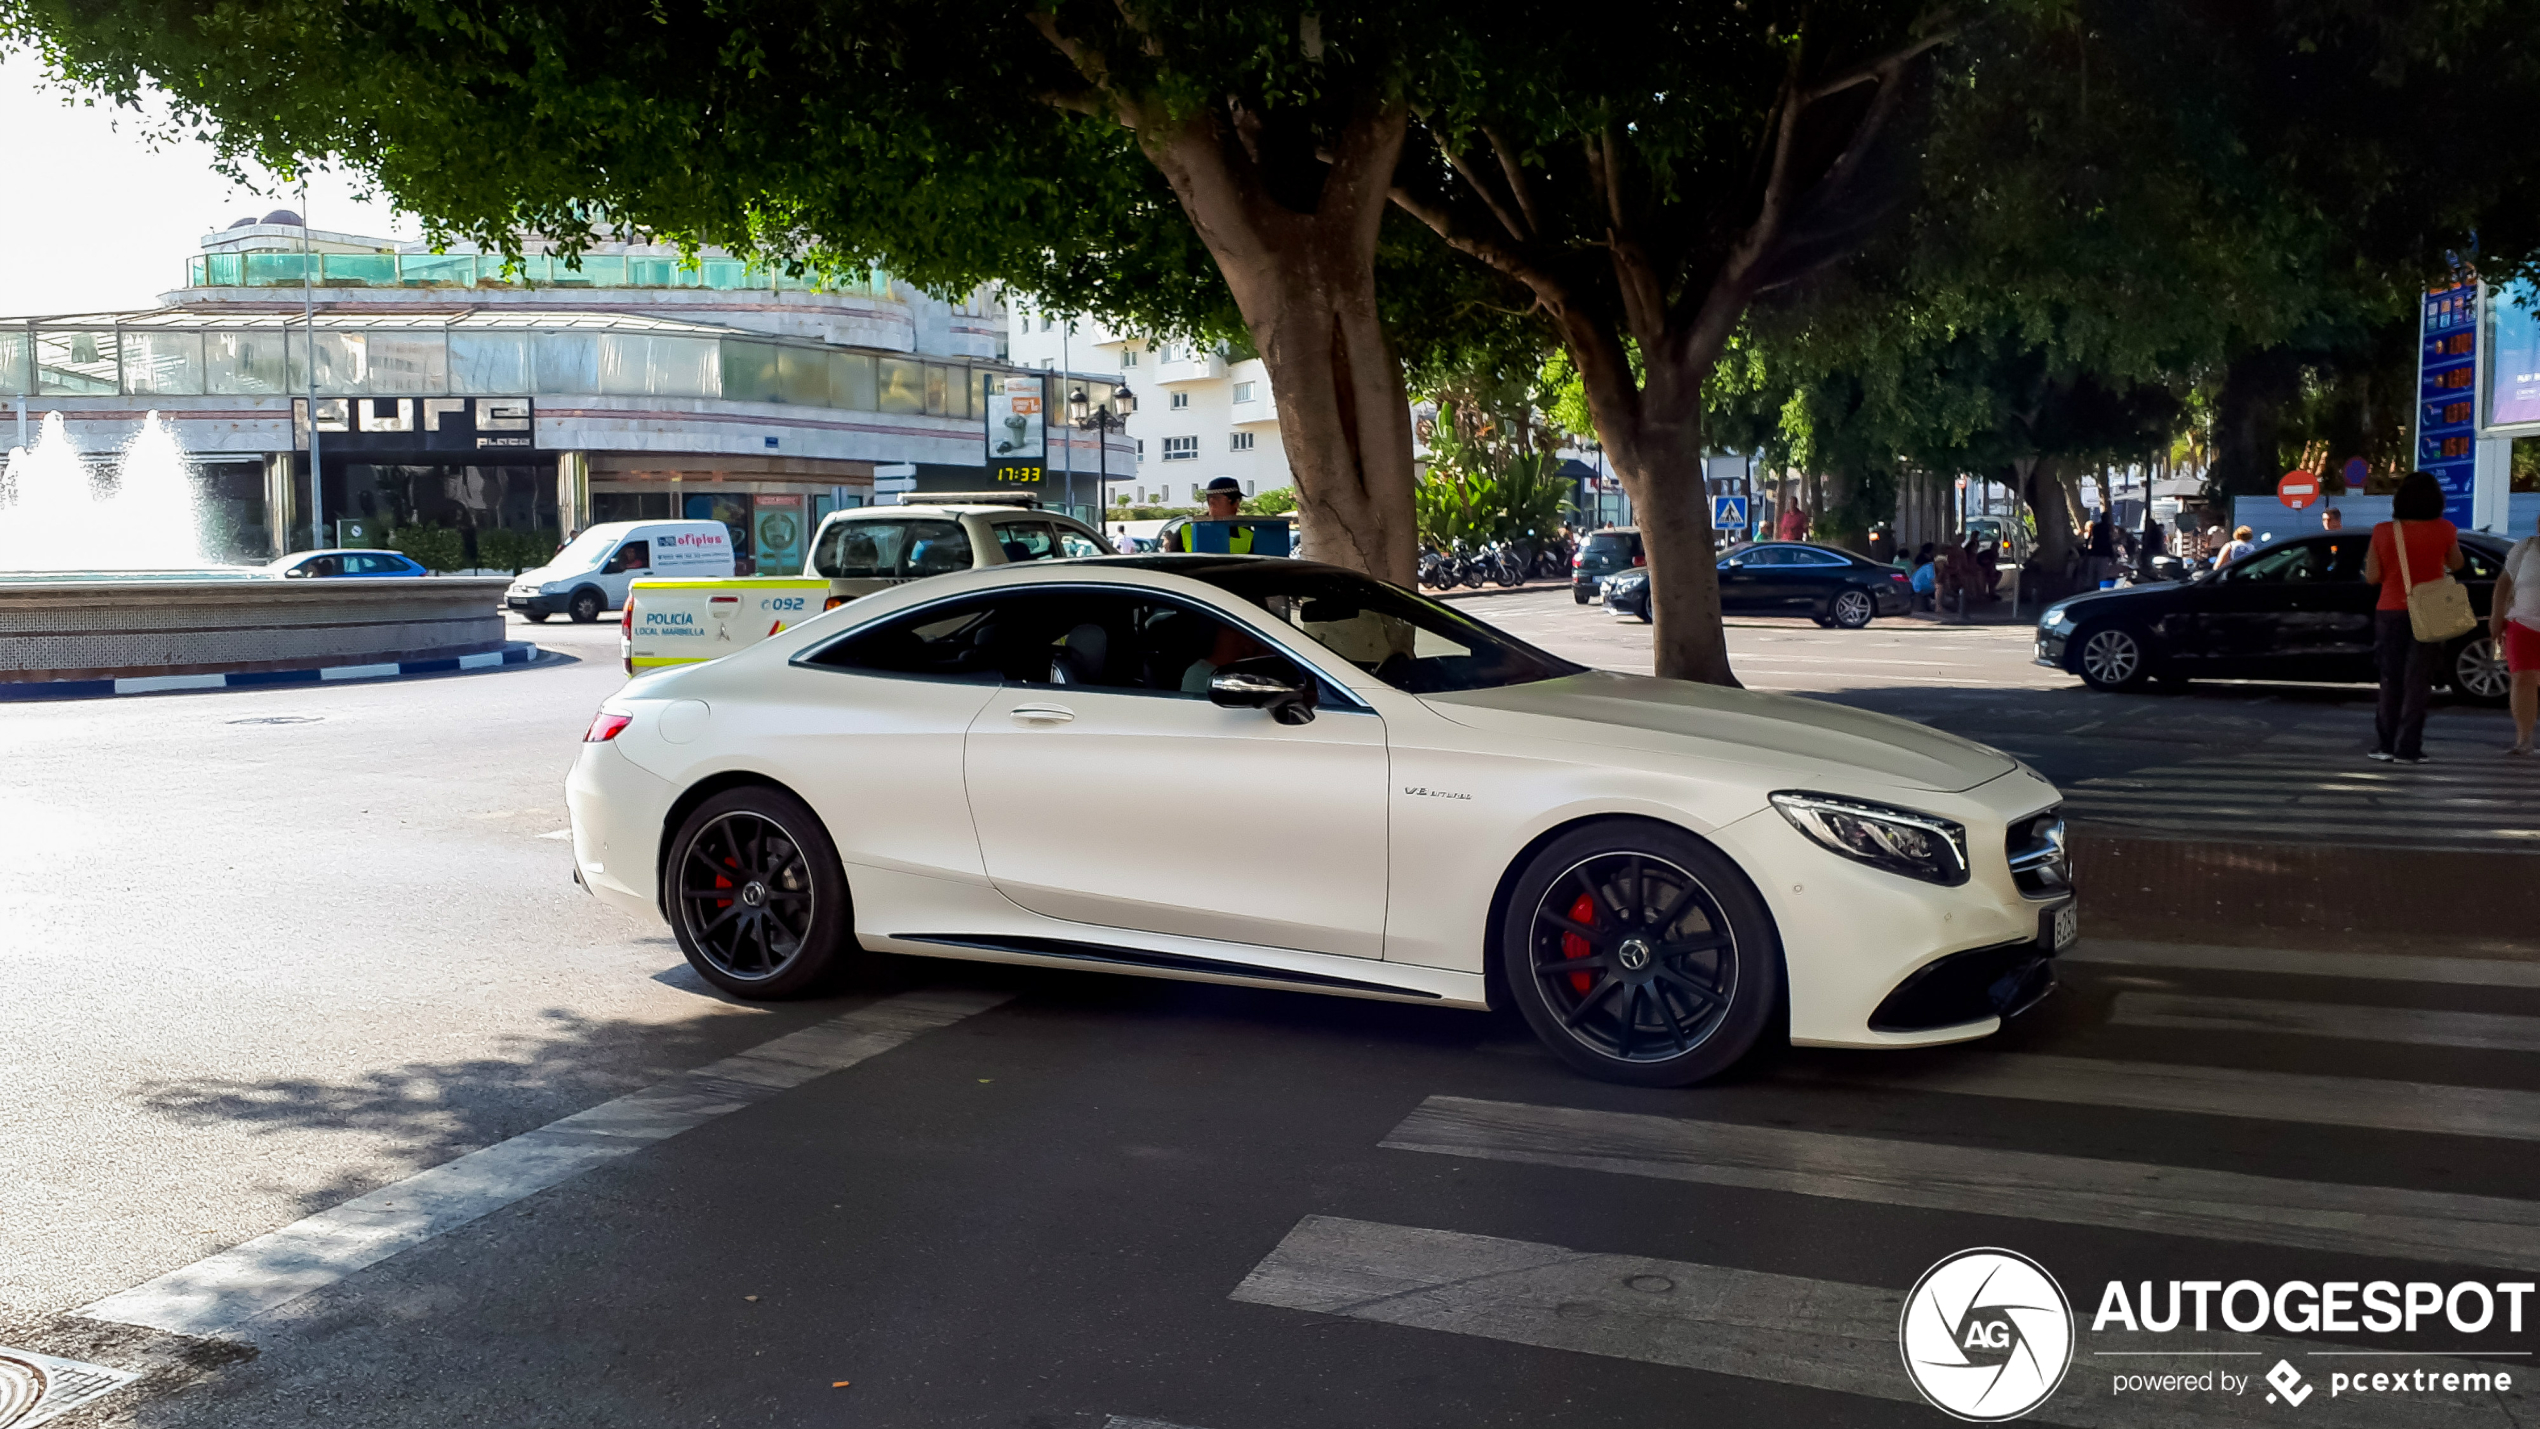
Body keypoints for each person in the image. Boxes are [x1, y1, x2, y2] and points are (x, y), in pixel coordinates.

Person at [2361, 470, 2464, 764]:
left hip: (2390, 610)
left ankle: (2384, 745)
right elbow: (2456, 563)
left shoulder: (2383, 531)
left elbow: (2372, 576)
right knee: (2419, 681)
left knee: (2391, 679)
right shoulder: (2445, 529)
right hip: (2430, 610)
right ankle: (2409, 748)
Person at [2496, 527, 2540, 755]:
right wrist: (2496, 617)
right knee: (2522, 679)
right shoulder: (2525, 548)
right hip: (2522, 623)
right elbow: (2504, 583)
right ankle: (2524, 740)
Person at [1174, 476, 1254, 551]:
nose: (1237, 506)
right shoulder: (1186, 530)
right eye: (1234, 501)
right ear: (1212, 502)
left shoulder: (1187, 529)